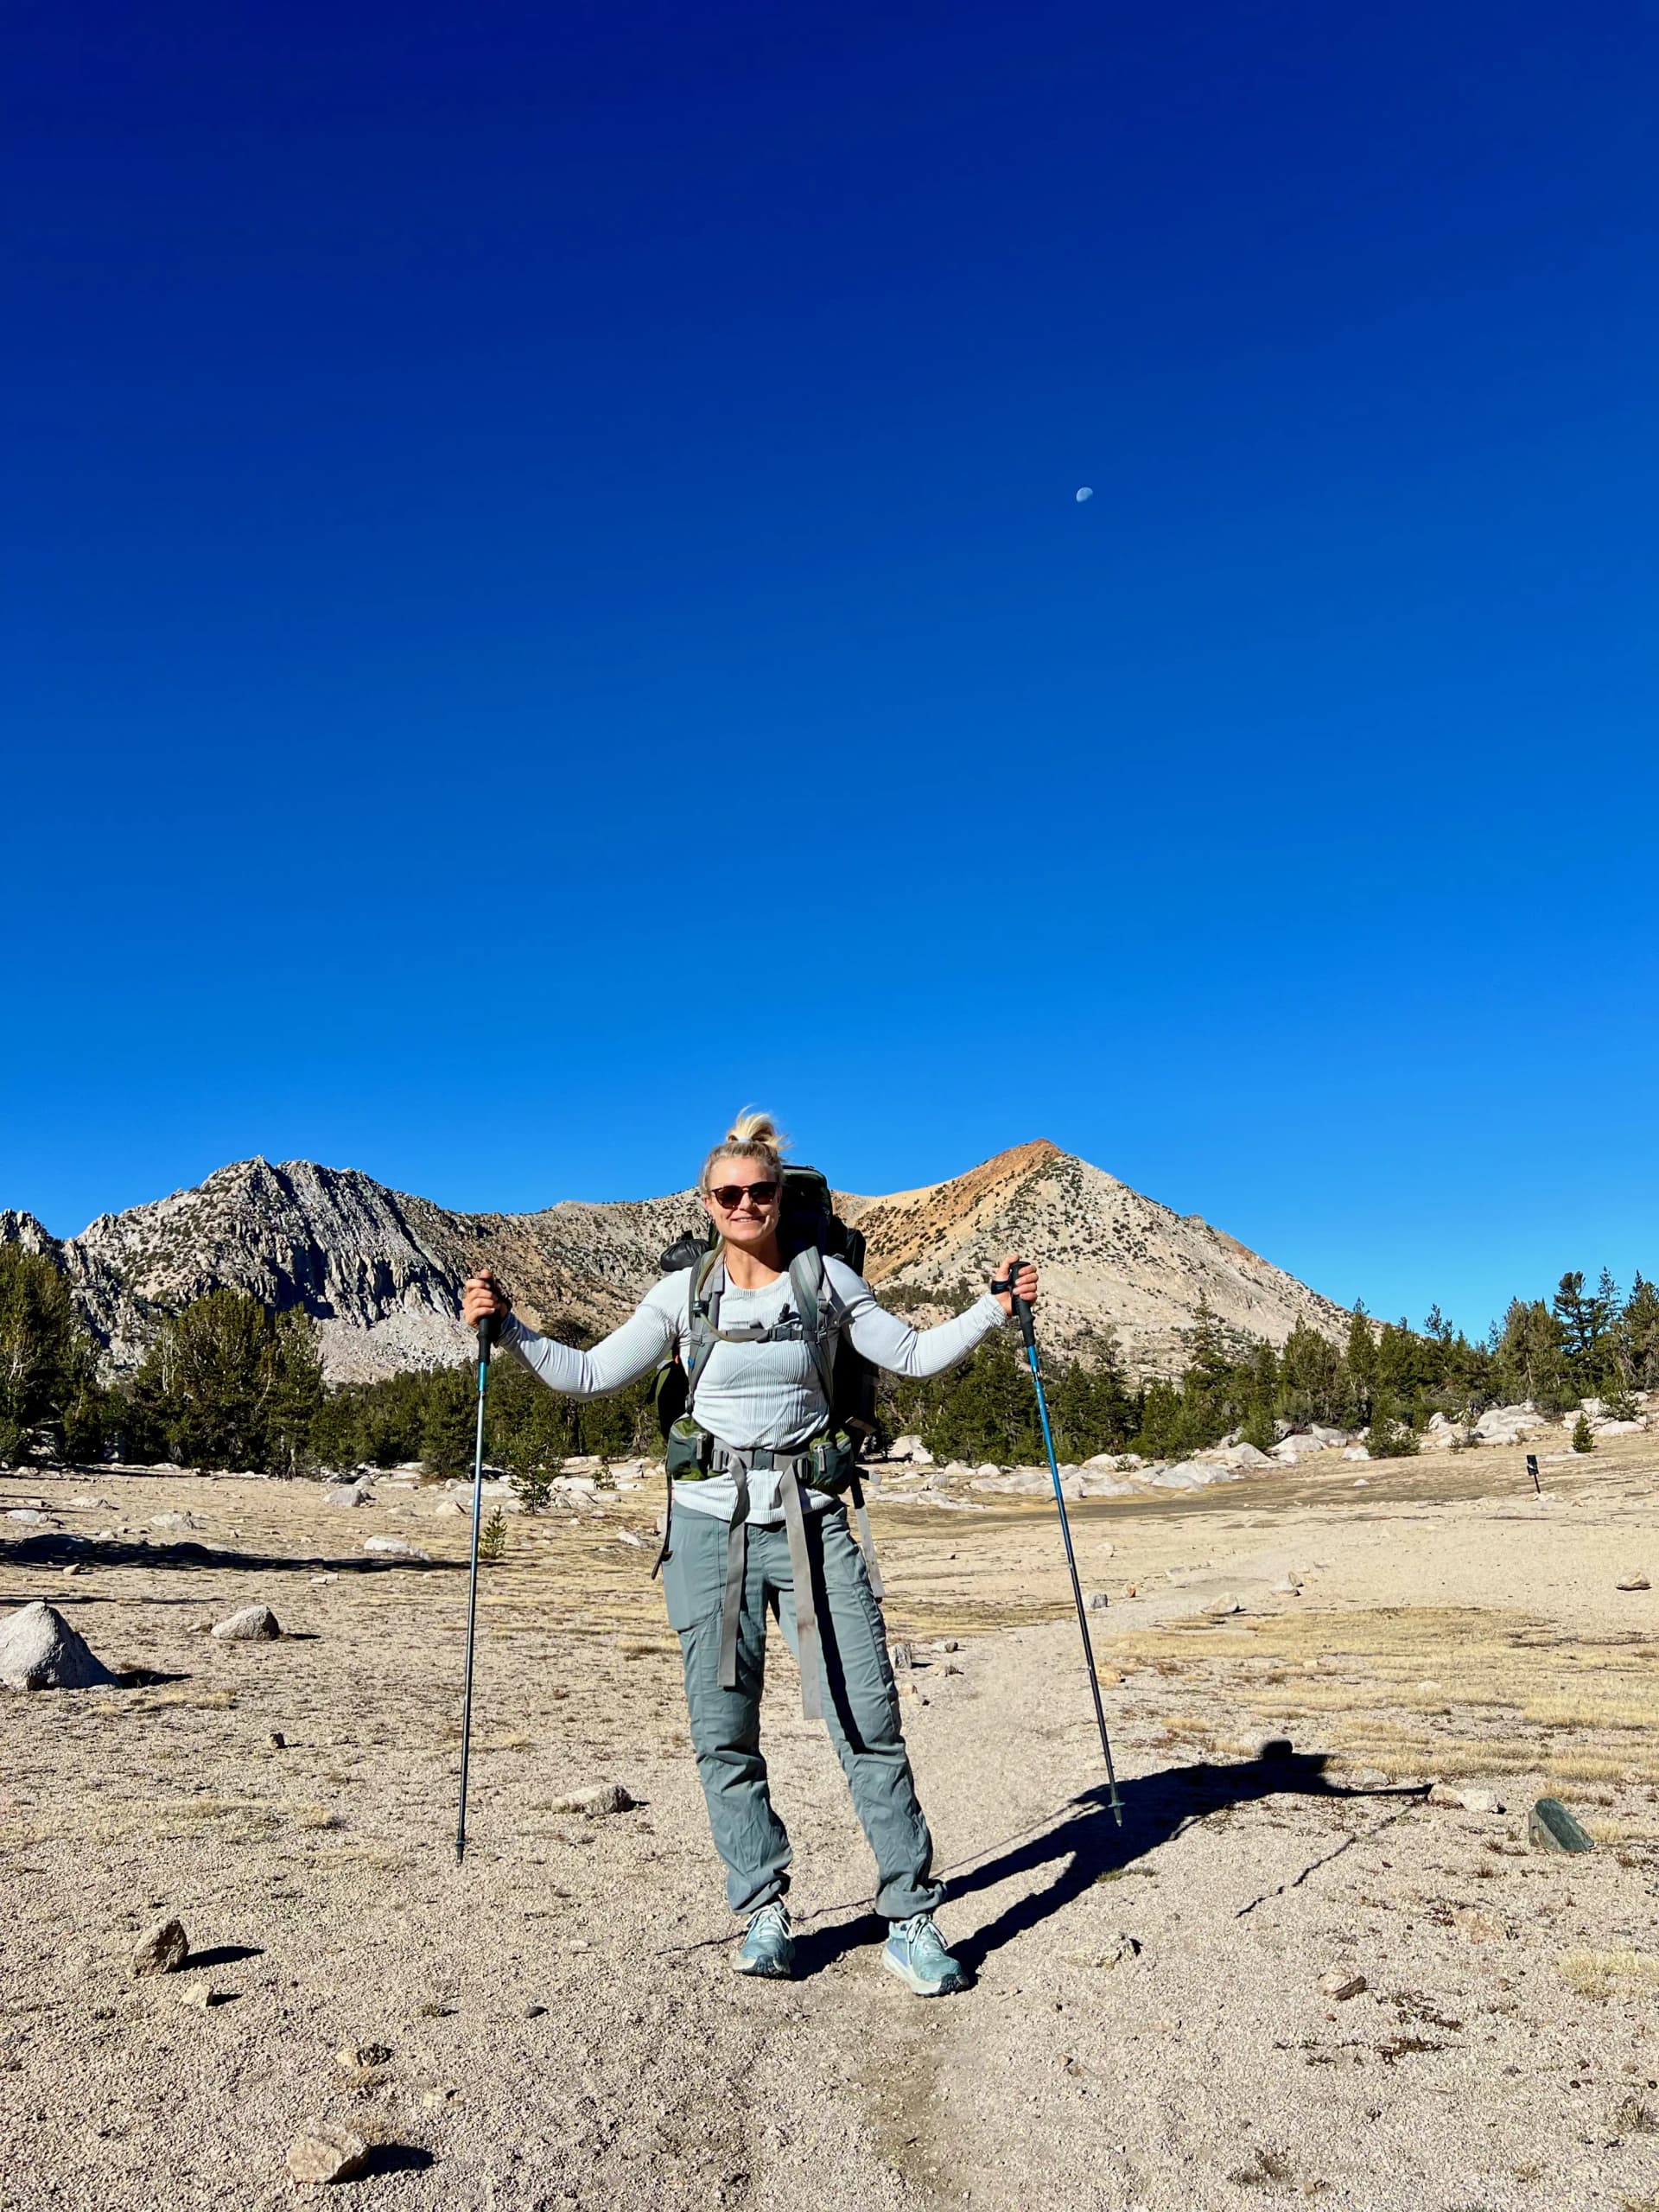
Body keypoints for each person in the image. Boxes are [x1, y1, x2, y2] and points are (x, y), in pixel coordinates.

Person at [461, 1109, 1038, 1996]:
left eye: (759, 1191)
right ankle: (763, 1909)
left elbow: (915, 1355)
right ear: (706, 1201)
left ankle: (912, 1919)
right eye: (728, 1193)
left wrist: (996, 1308)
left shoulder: (827, 1282)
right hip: (705, 1530)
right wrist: (509, 1331)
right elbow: (587, 1374)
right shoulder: (683, 1295)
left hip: (814, 1524)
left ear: (780, 1195)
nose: (745, 1204)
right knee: (722, 1734)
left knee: (866, 1721)